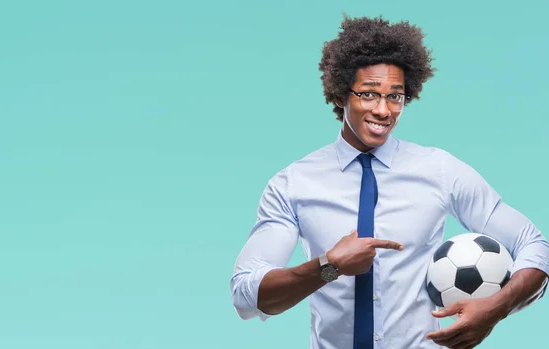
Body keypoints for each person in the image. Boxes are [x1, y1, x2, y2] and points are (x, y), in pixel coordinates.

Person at [229, 15, 549, 349]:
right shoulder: (293, 184)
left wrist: (496, 308)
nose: (384, 110)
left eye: (395, 97)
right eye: (368, 94)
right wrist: (329, 266)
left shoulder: (439, 169)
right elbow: (245, 294)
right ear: (340, 95)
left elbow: (534, 244)